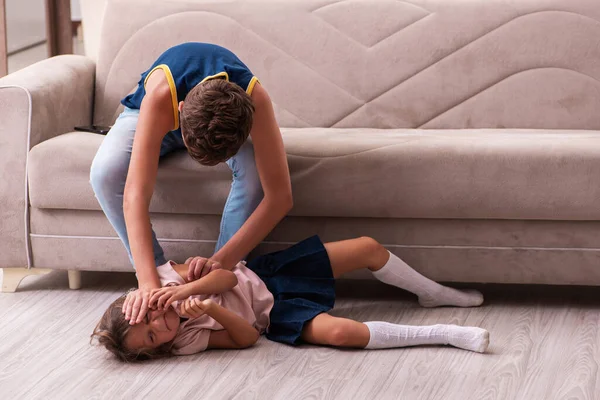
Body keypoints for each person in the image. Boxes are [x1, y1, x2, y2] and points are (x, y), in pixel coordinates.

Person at [89, 43, 292, 326]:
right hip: (147, 115)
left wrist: (219, 262)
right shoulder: (162, 95)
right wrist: (148, 282)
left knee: (255, 172)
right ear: (181, 109)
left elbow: (280, 197)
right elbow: (135, 194)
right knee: (104, 172)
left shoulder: (255, 100)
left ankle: (221, 281)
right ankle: (161, 272)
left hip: (209, 122)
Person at [91, 236, 489, 361]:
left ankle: (434, 294)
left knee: (367, 247)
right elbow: (247, 339)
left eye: (147, 322)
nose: (158, 329)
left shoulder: (162, 281)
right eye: (150, 339)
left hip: (267, 273)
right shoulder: (184, 342)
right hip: (275, 315)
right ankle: (445, 333)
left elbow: (226, 275)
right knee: (341, 335)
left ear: (140, 306)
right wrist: (211, 310)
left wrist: (189, 290)